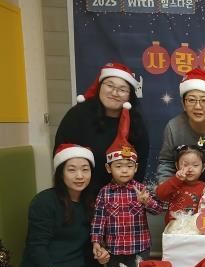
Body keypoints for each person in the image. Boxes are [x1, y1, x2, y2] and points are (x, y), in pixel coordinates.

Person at [55, 62, 149, 195]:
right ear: (99, 87)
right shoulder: (78, 115)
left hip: (120, 196)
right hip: (80, 193)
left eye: (122, 89)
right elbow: (62, 157)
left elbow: (141, 163)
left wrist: (127, 196)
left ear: (130, 96)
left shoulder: (136, 121)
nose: (115, 93)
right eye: (110, 86)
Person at [90, 105, 161, 267]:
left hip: (140, 247)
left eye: (129, 166)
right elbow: (98, 220)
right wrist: (96, 242)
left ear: (135, 168)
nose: (124, 170)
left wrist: (147, 201)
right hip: (114, 250)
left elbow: (158, 210)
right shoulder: (104, 192)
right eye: (118, 166)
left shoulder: (140, 189)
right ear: (108, 168)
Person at [156, 68, 205, 184]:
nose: (197, 106)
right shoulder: (174, 127)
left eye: (204, 100)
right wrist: (166, 187)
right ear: (183, 104)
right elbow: (166, 162)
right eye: (191, 100)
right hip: (180, 187)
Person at [155, 143, 205, 225]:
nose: (190, 169)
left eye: (195, 165)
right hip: (173, 228)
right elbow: (159, 194)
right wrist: (176, 180)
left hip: (194, 228)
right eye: (185, 165)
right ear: (177, 166)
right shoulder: (173, 183)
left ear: (203, 168)